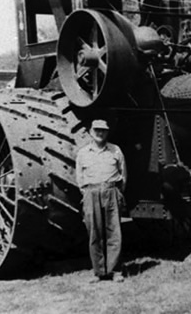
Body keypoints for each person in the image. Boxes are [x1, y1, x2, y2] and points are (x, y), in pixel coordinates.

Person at [76, 119, 127, 283]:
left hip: (111, 191)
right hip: (91, 192)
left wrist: (117, 193)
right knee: (94, 233)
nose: (100, 133)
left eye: (103, 130)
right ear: (91, 131)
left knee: (114, 232)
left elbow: (123, 174)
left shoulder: (115, 150)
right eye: (97, 130)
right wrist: (87, 194)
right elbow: (79, 177)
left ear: (107, 132)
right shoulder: (83, 153)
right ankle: (99, 272)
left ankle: (115, 270)